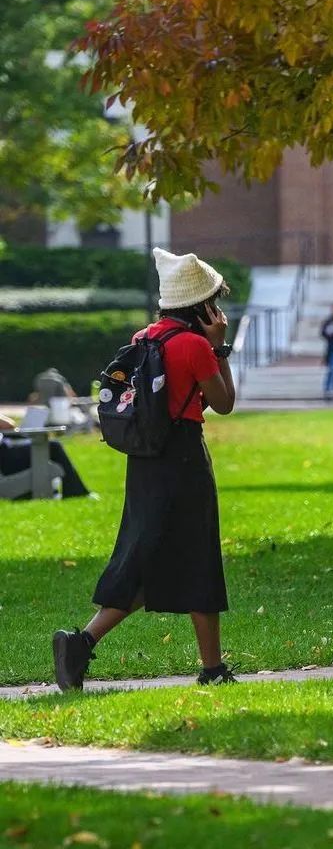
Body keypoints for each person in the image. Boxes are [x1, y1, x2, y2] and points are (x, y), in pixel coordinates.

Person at [51, 248, 238, 692]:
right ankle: (211, 670)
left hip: (145, 462)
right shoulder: (194, 345)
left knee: (147, 560)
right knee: (199, 558)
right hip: (185, 460)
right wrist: (219, 347)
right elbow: (225, 402)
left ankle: (81, 643)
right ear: (204, 306)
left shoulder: (146, 338)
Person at [0, 414, 91, 498]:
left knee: (47, 445)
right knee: (53, 447)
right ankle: (75, 491)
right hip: (5, 457)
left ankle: (72, 490)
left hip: (7, 450)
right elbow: (9, 424)